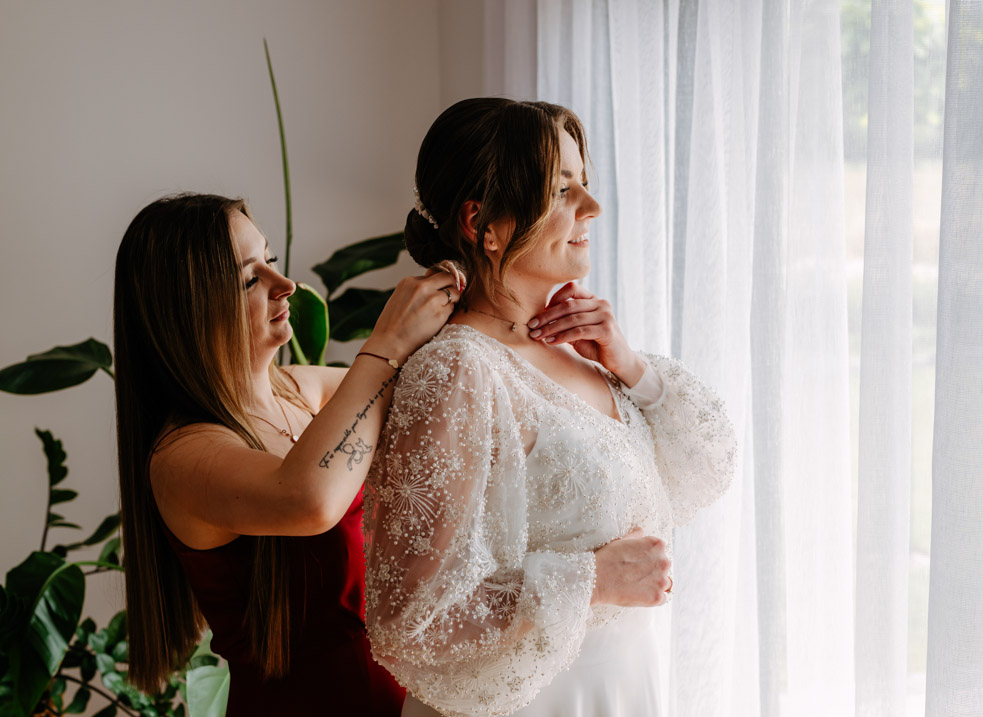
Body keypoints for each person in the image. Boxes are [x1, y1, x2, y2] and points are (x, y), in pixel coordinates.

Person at [363, 98, 738, 717]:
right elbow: (411, 621)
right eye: (563, 189)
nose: (591, 206)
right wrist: (594, 579)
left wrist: (631, 367)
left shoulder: (584, 351)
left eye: (584, 183)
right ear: (484, 223)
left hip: (623, 691)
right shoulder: (457, 371)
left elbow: (707, 465)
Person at [113, 193, 464, 715]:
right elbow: (310, 501)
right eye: (249, 280)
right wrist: (388, 341)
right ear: (188, 312)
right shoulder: (182, 456)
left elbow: (454, 392)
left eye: (271, 260)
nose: (285, 285)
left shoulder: (306, 393)